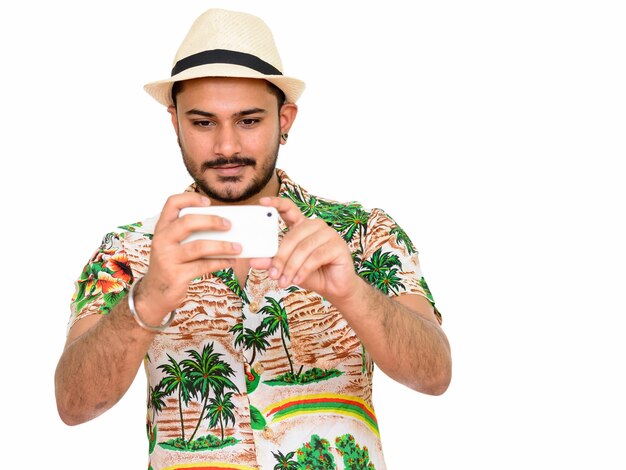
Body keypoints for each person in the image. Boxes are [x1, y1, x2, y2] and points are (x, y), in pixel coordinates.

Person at [54, 8, 452, 470]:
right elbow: (74, 405)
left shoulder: (361, 232)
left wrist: (353, 294)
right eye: (203, 122)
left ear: (285, 119)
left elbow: (435, 375)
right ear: (174, 122)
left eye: (248, 121)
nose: (226, 146)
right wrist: (148, 298)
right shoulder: (127, 251)